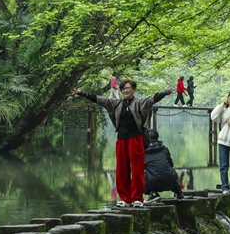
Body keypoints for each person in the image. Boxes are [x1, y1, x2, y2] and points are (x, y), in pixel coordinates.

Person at [72, 80, 172, 208]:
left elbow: (153, 98)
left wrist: (165, 93)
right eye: (123, 89)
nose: (125, 91)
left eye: (128, 88)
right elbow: (99, 99)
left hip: (136, 139)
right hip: (121, 140)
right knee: (121, 170)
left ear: (134, 89)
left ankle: (137, 198)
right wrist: (81, 93)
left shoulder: (139, 102)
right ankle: (125, 198)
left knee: (137, 170)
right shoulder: (116, 103)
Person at [144, 129, 184, 202]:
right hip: (170, 181)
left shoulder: (143, 152)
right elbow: (171, 164)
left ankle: (152, 193)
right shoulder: (164, 149)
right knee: (170, 171)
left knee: (139, 175)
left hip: (154, 183)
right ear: (157, 138)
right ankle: (178, 191)